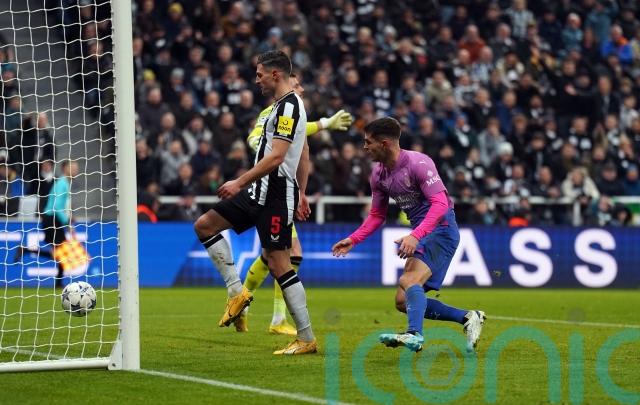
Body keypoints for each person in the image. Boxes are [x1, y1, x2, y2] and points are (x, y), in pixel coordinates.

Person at [193, 50, 316, 355]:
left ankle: (306, 338)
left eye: (260, 74)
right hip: (259, 190)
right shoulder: (278, 107)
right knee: (205, 225)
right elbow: (303, 154)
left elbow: (277, 157)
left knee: (279, 263)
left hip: (275, 195)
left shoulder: (289, 107)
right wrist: (302, 192)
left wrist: (239, 182)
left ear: (275, 74)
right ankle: (236, 292)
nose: (256, 80)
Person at [331, 117, 485, 353]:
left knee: (409, 280)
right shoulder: (378, 175)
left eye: (368, 142)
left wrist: (415, 235)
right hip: (423, 232)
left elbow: (441, 204)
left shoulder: (419, 163)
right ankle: (468, 317)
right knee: (402, 302)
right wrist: (354, 239)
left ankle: (414, 335)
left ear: (384, 144)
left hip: (441, 229)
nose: (365, 147)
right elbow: (377, 215)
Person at [236, 74, 353, 335]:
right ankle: (272, 317)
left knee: (273, 255)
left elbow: (303, 151)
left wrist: (301, 192)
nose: (301, 89)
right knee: (289, 254)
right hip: (270, 192)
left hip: (285, 192)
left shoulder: (295, 114)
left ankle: (245, 306)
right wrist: (325, 123)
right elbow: (254, 135)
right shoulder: (273, 111)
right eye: (297, 84)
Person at [15, 160, 78, 289]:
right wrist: (67, 223)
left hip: (52, 219)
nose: (76, 170)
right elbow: (57, 207)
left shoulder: (63, 182)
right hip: (52, 219)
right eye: (73, 167)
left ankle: (25, 250)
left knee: (59, 253)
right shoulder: (62, 183)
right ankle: (58, 283)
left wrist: (69, 217)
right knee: (62, 252)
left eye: (76, 168)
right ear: (65, 169)